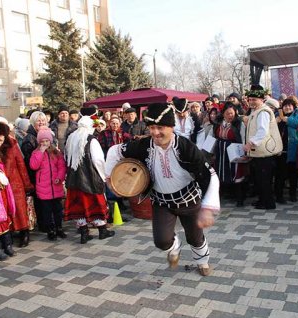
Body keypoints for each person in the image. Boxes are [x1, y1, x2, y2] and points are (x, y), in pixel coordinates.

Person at [105, 103, 220, 276]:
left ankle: (202, 262)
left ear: (171, 127)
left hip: (189, 200)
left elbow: (211, 176)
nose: (155, 132)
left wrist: (208, 208)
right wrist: (109, 178)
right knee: (161, 241)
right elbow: (115, 151)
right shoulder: (144, 145)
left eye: (160, 127)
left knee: (195, 237)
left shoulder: (186, 147)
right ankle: (175, 247)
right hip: (161, 202)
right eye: (151, 127)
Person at [65, 116, 115, 244]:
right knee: (96, 203)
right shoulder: (91, 140)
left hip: (74, 179)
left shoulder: (71, 138)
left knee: (79, 206)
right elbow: (98, 160)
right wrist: (104, 176)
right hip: (90, 179)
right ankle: (102, 231)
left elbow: (66, 157)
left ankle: (84, 233)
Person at [0, 123, 34, 247]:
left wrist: (27, 184)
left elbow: (20, 164)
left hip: (15, 181)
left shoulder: (12, 144)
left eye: (1, 135)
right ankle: (9, 232)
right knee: (5, 209)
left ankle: (24, 232)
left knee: (19, 208)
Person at [244, 85, 283, 210]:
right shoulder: (256, 111)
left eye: (254, 99)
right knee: (259, 179)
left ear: (261, 100)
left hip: (265, 152)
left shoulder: (263, 112)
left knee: (264, 179)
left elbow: (262, 131)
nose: (251, 101)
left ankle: (268, 203)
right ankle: (262, 199)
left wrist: (251, 143)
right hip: (259, 152)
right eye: (250, 99)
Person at [29, 127, 67, 241]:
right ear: (39, 142)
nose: (45, 143)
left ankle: (59, 228)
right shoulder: (36, 153)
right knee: (46, 211)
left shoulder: (56, 152)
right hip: (43, 187)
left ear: (50, 141)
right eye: (42, 141)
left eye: (47, 141)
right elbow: (33, 166)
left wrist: (59, 178)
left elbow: (61, 166)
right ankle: (50, 230)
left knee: (58, 210)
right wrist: (40, 152)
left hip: (56, 187)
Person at [213, 102, 247, 207]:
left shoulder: (238, 123)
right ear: (223, 114)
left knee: (236, 172)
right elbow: (212, 137)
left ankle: (240, 199)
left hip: (234, 149)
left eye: (232, 113)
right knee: (220, 171)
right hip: (220, 151)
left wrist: (243, 152)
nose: (230, 116)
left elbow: (243, 137)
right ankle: (220, 197)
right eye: (228, 113)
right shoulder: (217, 123)